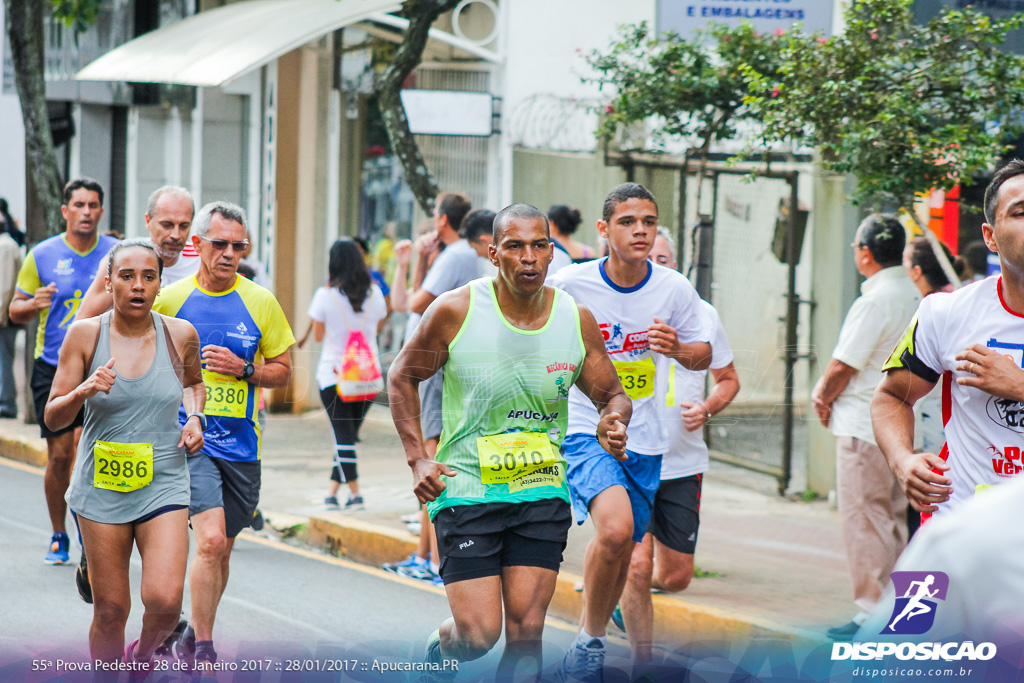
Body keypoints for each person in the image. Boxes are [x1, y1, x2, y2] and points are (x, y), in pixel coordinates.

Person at [388, 203, 631, 681]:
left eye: (540, 246)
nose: (529, 258)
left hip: (539, 489)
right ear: (493, 253)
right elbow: (402, 376)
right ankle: (442, 651)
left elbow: (614, 394)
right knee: (478, 636)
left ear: (551, 251)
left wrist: (612, 420)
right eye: (515, 247)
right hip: (467, 488)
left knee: (526, 631)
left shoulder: (574, 318)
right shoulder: (456, 310)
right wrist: (418, 458)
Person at [546, 183, 712, 681]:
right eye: (627, 221)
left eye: (649, 221)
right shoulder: (571, 284)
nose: (641, 230)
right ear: (603, 230)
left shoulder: (673, 287)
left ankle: (588, 638)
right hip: (584, 425)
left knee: (622, 547)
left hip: (648, 437)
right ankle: (591, 640)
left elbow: (705, 352)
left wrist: (678, 348)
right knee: (615, 529)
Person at [44, 239, 205, 669]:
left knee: (166, 601)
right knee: (112, 610)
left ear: (158, 285)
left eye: (148, 277)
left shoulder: (180, 334)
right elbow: (54, 417)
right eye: (127, 276)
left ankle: (142, 658)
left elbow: (194, 384)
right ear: (109, 281)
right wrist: (84, 389)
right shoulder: (85, 335)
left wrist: (195, 418)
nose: (138, 286)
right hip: (102, 484)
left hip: (164, 478)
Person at [152, 201, 295, 669]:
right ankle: (206, 650)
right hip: (189, 439)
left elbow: (284, 372)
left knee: (223, 546)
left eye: (238, 246)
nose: (229, 253)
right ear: (198, 246)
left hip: (243, 444)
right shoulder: (170, 300)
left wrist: (246, 369)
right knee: (210, 541)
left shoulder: (260, 301)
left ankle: (194, 630)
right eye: (219, 244)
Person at [873, 159, 1024, 530]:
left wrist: (1018, 386)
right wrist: (902, 461)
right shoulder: (945, 312)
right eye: (1021, 212)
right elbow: (891, 398)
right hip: (954, 526)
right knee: (914, 591)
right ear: (990, 236)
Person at [615, 227, 740, 672]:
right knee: (635, 563)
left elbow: (729, 381)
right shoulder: (618, 311)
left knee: (674, 577)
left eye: (665, 260)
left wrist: (705, 408)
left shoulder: (702, 315)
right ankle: (642, 664)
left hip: (683, 463)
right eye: (652, 260)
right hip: (629, 458)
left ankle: (613, 592)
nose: (657, 268)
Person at [810, 214, 920, 641]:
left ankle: (872, 610)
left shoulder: (874, 300)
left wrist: (822, 397)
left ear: (865, 253)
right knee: (892, 517)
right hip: (900, 425)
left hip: (863, 424)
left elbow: (842, 365)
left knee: (865, 518)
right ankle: (897, 609)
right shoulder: (911, 294)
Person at [9, 178, 119, 565]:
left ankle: (92, 534)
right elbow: (14, 310)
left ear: (101, 212)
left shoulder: (116, 252)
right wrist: (33, 304)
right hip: (53, 366)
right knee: (59, 456)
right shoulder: (41, 254)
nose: (87, 212)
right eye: (80, 205)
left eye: (93, 205)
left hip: (103, 365)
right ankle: (59, 533)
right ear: (65, 211)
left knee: (87, 452)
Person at [387, 193, 477, 585]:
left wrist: (406, 263)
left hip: (432, 371)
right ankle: (425, 555)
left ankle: (436, 560)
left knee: (432, 459)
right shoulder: (452, 255)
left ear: (442, 220)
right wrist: (422, 260)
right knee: (430, 457)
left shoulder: (456, 255)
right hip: (429, 369)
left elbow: (407, 302)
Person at [309, 239, 387, 510]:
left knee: (344, 438)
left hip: (333, 377)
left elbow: (318, 335)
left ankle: (355, 495)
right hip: (367, 377)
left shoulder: (324, 296)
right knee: (347, 438)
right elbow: (377, 328)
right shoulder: (376, 295)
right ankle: (331, 493)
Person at [902, 236, 966, 538]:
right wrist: (901, 458)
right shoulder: (940, 306)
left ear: (916, 271)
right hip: (932, 437)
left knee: (922, 528)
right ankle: (909, 584)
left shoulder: (940, 308)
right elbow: (891, 394)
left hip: (937, 437)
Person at [77, 186, 200, 320]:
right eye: (167, 225)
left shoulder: (201, 261)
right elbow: (83, 322)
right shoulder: (123, 258)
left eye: (183, 226)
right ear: (148, 221)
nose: (176, 235)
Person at [0, 218, 22, 417]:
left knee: (4, 359)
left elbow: (5, 287)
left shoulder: (5, 246)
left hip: (4, 317)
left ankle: (6, 402)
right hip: (4, 314)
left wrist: (1, 316)